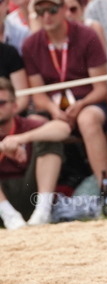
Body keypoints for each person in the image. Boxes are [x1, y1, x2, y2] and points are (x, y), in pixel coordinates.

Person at [22, 0, 107, 202]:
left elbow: (101, 88)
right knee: (35, 121)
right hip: (54, 107)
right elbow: (38, 95)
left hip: (88, 102)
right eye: (41, 11)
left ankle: (106, 191)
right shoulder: (31, 45)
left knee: (87, 119)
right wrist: (54, 110)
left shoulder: (87, 36)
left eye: (52, 10)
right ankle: (40, 201)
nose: (47, 16)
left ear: (64, 9)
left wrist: (80, 105)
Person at [0, 74, 69, 229]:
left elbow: (63, 128)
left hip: (30, 193)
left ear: (15, 106)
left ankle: (42, 213)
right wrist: (3, 147)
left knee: (49, 138)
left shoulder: (26, 124)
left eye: (1, 103)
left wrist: (20, 139)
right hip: (3, 201)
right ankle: (9, 215)